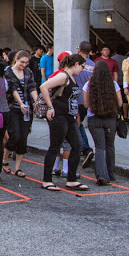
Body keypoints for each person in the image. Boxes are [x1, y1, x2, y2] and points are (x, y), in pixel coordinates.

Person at [39, 54, 88, 192]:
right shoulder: (63, 76)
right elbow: (44, 86)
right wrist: (50, 107)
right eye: (82, 66)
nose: (82, 70)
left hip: (69, 116)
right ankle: (47, 180)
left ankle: (71, 180)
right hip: (59, 115)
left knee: (77, 145)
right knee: (55, 146)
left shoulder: (72, 77)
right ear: (76, 64)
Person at [83, 61, 123, 185]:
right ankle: (110, 174)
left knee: (100, 147)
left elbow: (85, 104)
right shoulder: (113, 84)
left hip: (94, 119)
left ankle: (101, 175)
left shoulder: (89, 85)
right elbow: (120, 103)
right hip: (110, 119)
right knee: (110, 146)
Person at [2, 50, 38, 178]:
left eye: (26, 63)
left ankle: (18, 168)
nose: (24, 65)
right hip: (13, 108)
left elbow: (32, 87)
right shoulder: (8, 72)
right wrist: (21, 103)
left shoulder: (28, 72)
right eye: (22, 62)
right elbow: (13, 89)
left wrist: (37, 101)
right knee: (14, 135)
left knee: (23, 138)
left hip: (27, 110)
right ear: (16, 59)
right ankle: (5, 160)